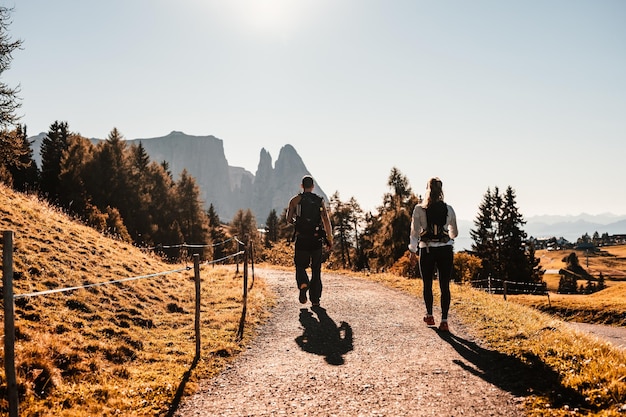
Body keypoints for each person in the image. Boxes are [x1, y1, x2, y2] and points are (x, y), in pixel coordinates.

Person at [408, 177, 458, 332]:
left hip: (427, 249)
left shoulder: (419, 209)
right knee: (444, 285)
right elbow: (454, 233)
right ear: (441, 190)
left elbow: (414, 233)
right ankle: (444, 320)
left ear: (427, 189)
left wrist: (412, 251)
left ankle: (429, 315)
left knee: (427, 284)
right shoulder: (449, 209)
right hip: (445, 250)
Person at [286, 175, 333, 307]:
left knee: (300, 265)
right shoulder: (319, 201)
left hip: (302, 239)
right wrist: (329, 239)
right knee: (316, 269)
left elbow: (289, 220)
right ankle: (315, 299)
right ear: (312, 186)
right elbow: (326, 221)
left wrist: (297, 222)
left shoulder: (295, 200)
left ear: (302, 186)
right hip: (316, 239)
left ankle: (303, 282)